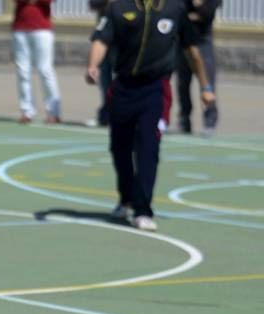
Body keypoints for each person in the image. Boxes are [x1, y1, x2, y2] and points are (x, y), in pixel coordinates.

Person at [86, 0, 216, 232]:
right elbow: (101, 38)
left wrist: (205, 87)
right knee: (120, 148)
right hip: (123, 87)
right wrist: (93, 66)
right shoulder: (118, 8)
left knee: (148, 147)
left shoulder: (174, 10)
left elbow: (193, 51)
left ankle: (143, 210)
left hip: (155, 90)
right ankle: (126, 197)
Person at [176, 0, 222, 136]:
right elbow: (178, 12)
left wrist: (197, 5)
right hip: (184, 40)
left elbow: (206, 14)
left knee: (207, 81)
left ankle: (210, 120)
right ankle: (184, 120)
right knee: (182, 83)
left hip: (203, 40)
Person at [12, 0, 61, 124]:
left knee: (45, 70)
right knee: (22, 72)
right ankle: (27, 111)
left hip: (42, 30)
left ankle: (53, 112)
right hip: (20, 29)